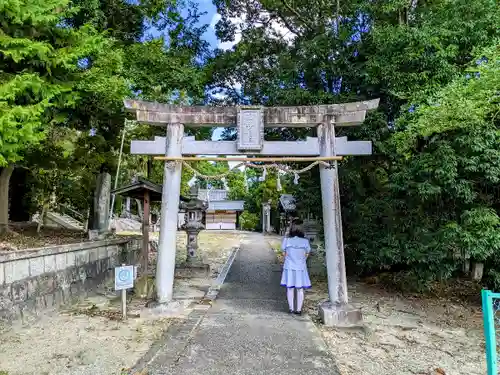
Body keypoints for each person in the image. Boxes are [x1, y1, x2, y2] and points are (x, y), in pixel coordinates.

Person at [280, 219, 312, 315]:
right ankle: (298, 310)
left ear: (291, 228)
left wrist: (290, 259)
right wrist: (301, 261)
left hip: (289, 266)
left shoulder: (287, 240)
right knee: (300, 288)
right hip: (301, 267)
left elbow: (284, 253)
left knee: (290, 288)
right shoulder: (305, 241)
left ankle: (291, 309)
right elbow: (307, 253)